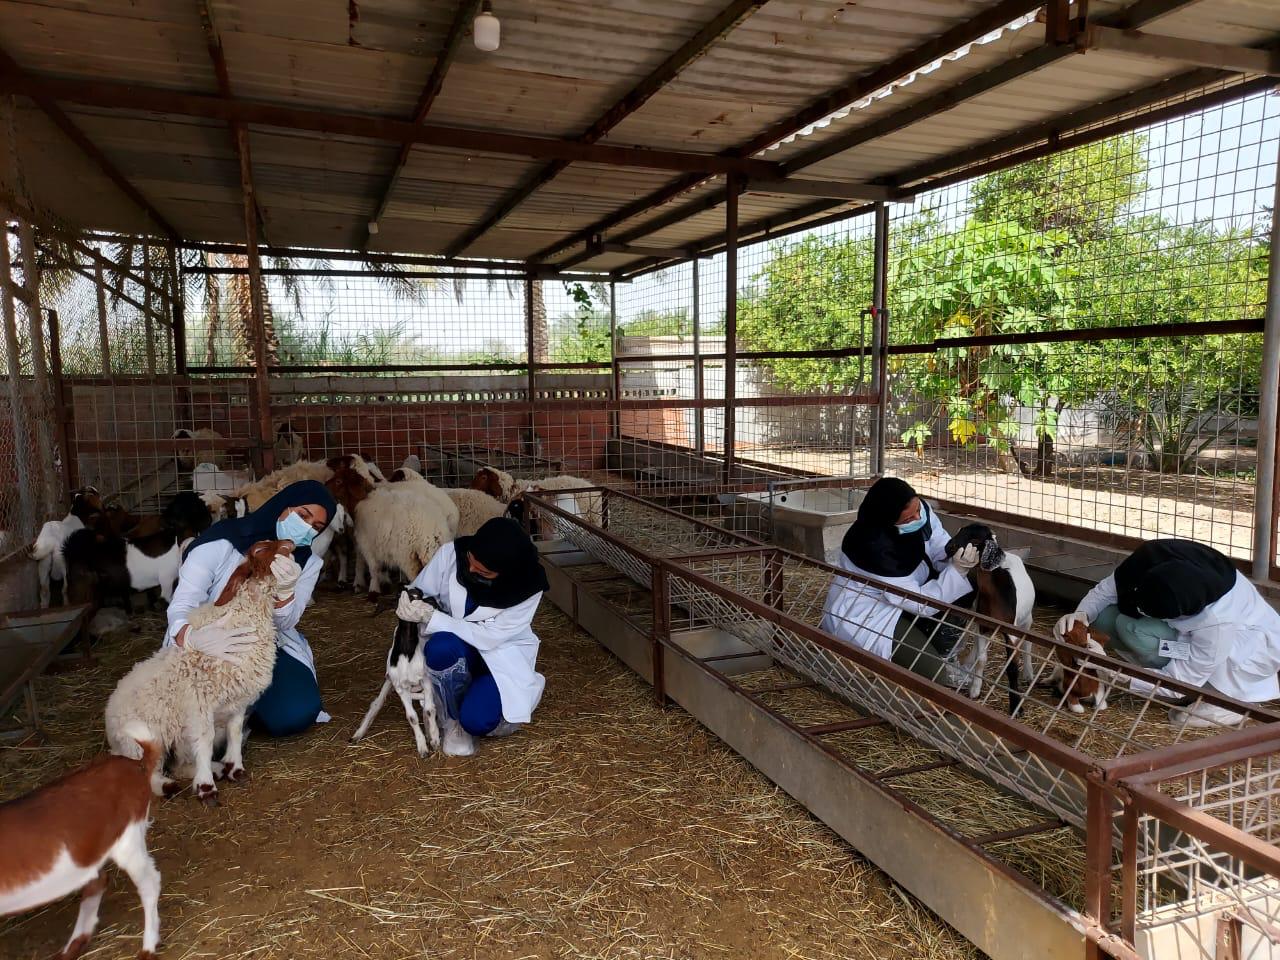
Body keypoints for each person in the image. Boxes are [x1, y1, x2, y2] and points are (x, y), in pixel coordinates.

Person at [163, 480, 337, 737]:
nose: (307, 528)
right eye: (302, 516)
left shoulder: (307, 562)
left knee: (294, 714)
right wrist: (191, 637)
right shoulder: (221, 542)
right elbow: (182, 605)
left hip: (264, 644)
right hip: (208, 637)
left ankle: (247, 712)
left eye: (316, 527)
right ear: (283, 505)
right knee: (183, 722)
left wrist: (285, 593)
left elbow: (285, 623)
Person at [1055, 539, 1280, 726]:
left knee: (1181, 716)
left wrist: (1116, 672)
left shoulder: (1217, 624)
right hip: (1190, 635)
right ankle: (1153, 677)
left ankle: (1228, 701)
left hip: (1243, 653)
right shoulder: (1152, 559)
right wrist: (1080, 615)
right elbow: (1106, 591)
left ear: (1183, 612)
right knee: (1109, 619)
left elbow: (1181, 681)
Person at [396, 517, 549, 757]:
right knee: (441, 647)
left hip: (499, 656)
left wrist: (436, 618)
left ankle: (481, 704)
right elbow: (421, 590)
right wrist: (410, 602)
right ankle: (453, 720)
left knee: (478, 719)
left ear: (506, 573)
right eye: (470, 560)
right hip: (457, 648)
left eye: (484, 571)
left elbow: (490, 637)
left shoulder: (528, 587)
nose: (471, 570)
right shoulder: (451, 555)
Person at [820, 477, 978, 683]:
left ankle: (944, 651)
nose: (918, 517)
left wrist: (952, 552)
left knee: (968, 582)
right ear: (887, 521)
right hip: (870, 617)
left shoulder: (917, 511)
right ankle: (931, 661)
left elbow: (936, 540)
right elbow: (921, 603)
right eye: (909, 518)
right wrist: (957, 570)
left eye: (918, 509)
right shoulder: (874, 549)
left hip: (907, 597)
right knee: (937, 679)